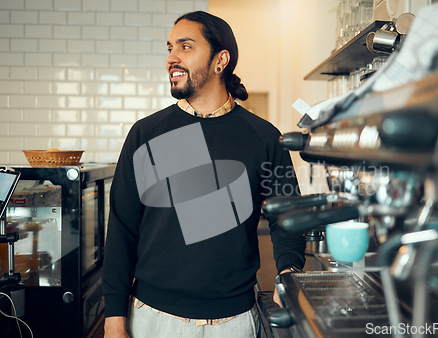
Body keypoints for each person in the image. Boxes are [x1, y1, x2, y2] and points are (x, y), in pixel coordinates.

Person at [102, 11, 305, 338]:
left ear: (220, 60)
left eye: (185, 46)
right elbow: (122, 227)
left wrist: (288, 274)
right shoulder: (147, 134)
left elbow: (289, 217)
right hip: (152, 319)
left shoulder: (264, 137)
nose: (171, 58)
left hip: (234, 321)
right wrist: (114, 316)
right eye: (169, 48)